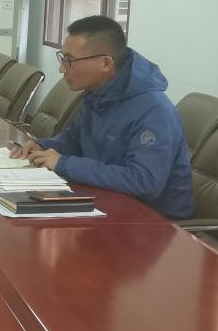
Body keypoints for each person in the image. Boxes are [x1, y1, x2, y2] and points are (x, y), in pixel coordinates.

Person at [10, 15, 194, 219]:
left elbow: (144, 181)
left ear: (105, 63)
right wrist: (43, 146)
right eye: (62, 58)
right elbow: (74, 139)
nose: (62, 68)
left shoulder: (154, 111)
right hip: (105, 201)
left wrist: (63, 164)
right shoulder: (98, 94)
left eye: (69, 60)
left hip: (154, 222)